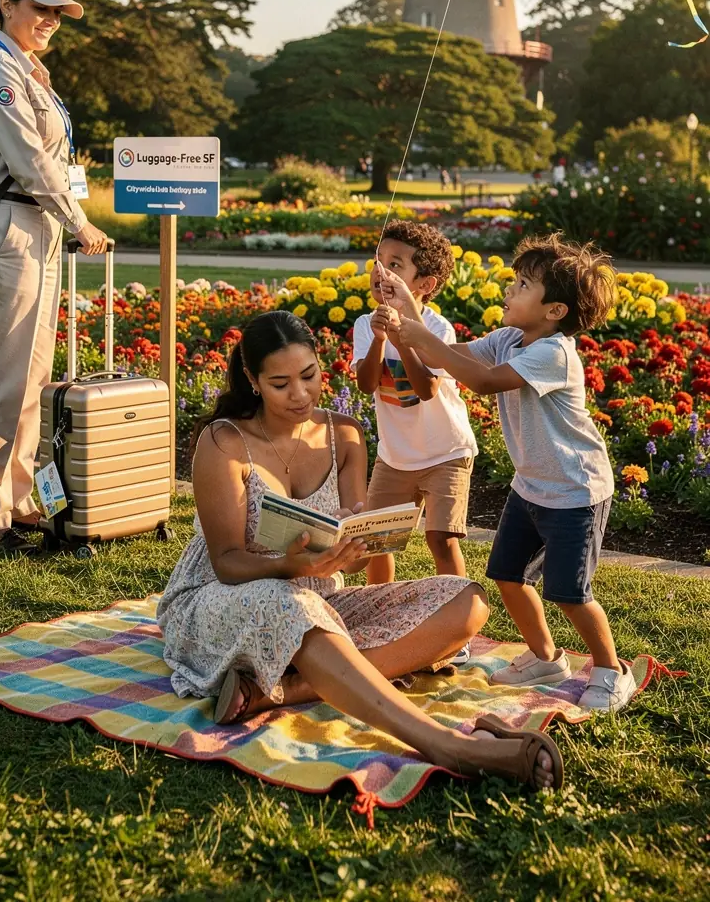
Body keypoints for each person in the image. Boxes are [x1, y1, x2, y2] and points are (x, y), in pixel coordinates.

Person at [156, 311, 563, 790]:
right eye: (281, 383)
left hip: (316, 601)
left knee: (467, 600)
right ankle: (446, 744)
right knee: (293, 604)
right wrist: (293, 563)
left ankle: (284, 690)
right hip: (219, 601)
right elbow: (225, 563)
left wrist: (359, 545)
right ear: (252, 381)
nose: (301, 394)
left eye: (309, 376)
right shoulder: (223, 441)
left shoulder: (343, 435)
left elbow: (362, 542)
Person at [385, 233, 638, 712]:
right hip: (531, 487)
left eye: (522, 285)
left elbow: (481, 382)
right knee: (507, 574)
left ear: (554, 311)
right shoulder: (509, 339)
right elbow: (460, 357)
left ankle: (610, 668)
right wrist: (410, 320)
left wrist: (417, 336)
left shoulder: (553, 353)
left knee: (569, 592)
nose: (509, 289)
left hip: (574, 492)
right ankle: (546, 656)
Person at [0, 0, 108, 555]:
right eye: (39, 7)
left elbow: (50, 162)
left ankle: (19, 503)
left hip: (38, 225)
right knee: (1, 380)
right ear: (5, 6)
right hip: (10, 224)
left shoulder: (29, 71)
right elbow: (28, 160)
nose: (50, 19)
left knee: (31, 378)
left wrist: (68, 217)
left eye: (56, 11)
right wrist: (80, 219)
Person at [352, 223, 477, 622]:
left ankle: (457, 623)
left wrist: (403, 338)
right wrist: (377, 339)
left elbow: (425, 388)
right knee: (377, 541)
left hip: (446, 452)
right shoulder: (364, 325)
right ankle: (380, 614)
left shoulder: (437, 330)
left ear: (423, 283)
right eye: (378, 261)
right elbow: (366, 383)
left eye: (395, 265)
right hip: (395, 457)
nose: (381, 272)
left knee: (441, 539)